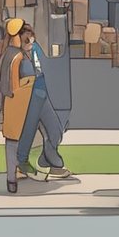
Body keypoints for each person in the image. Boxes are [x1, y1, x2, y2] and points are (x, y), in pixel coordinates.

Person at [11, 20, 71, 184]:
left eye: (31, 37)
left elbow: (45, 69)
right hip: (27, 97)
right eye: (26, 39)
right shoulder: (17, 56)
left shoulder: (36, 48)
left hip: (42, 93)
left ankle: (48, 161)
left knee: (55, 130)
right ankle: (21, 163)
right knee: (28, 131)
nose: (30, 41)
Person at [0, 19, 34, 193]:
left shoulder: (7, 53)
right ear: (20, 36)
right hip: (19, 103)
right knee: (15, 141)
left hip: (9, 102)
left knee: (11, 142)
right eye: (27, 37)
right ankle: (13, 179)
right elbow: (21, 83)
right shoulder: (19, 57)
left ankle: (11, 179)